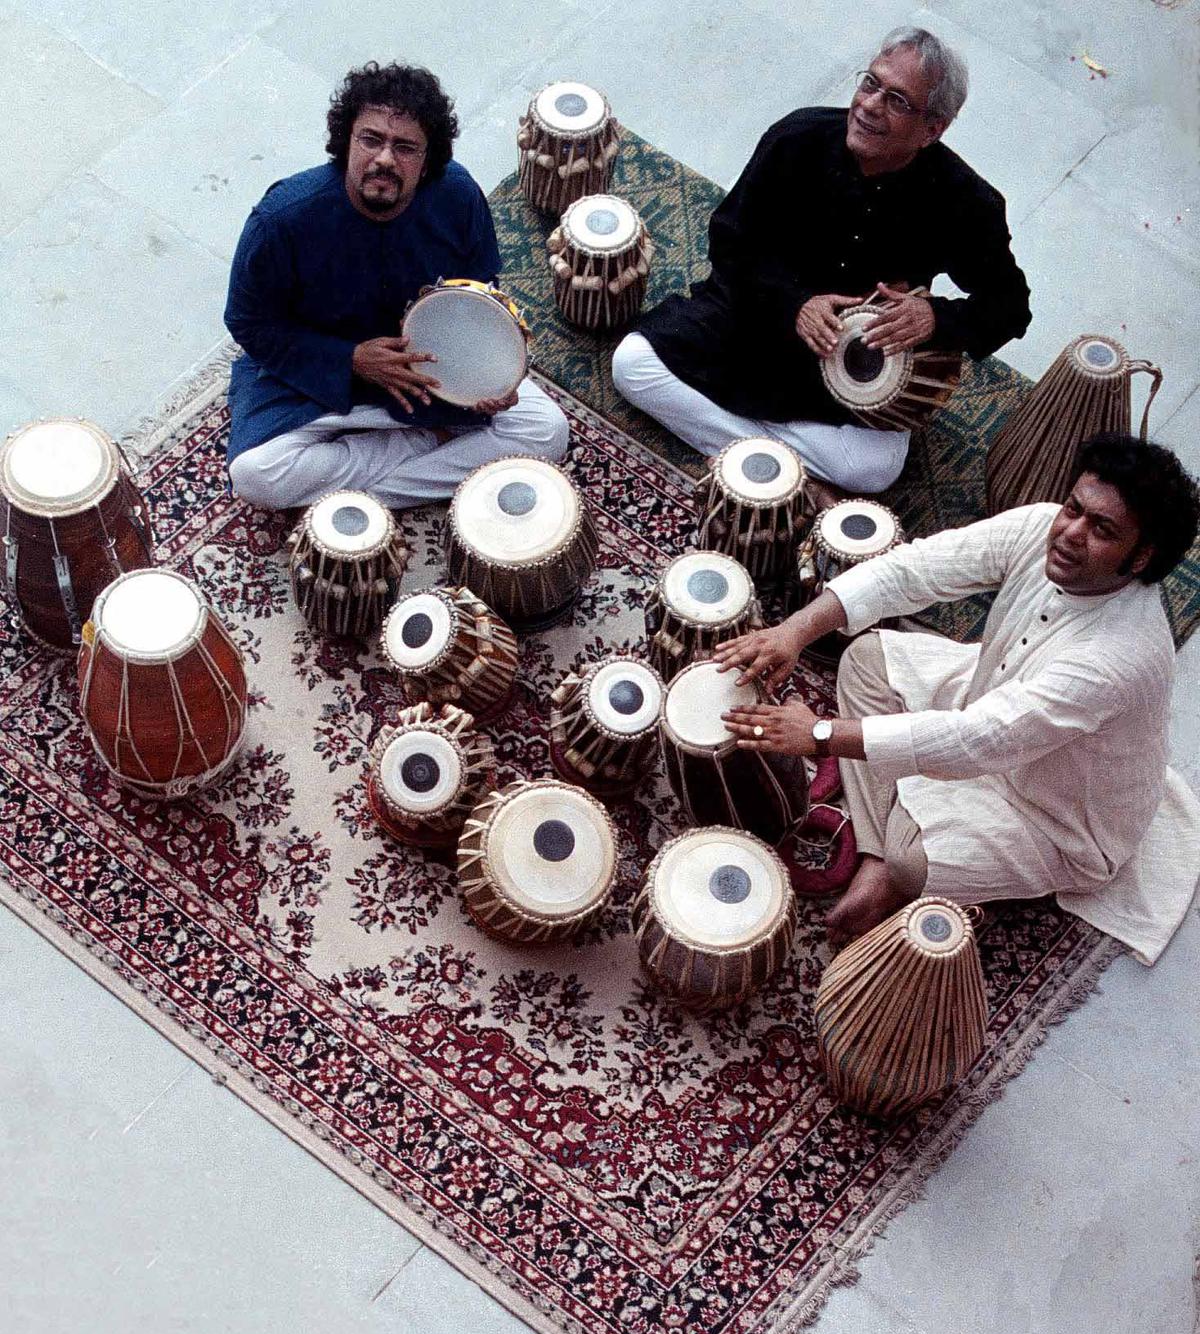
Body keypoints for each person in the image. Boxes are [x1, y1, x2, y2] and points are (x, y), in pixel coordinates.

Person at [715, 434, 1200, 965]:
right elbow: (918, 568)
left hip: (1050, 812)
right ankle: (875, 849)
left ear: (1142, 557)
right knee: (865, 661)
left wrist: (820, 735)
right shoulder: (1044, 527)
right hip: (987, 696)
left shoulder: (1117, 660)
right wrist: (794, 631)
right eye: (1074, 509)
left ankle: (886, 861)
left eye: (1101, 529)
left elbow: (979, 740)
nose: (1070, 533)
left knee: (910, 862)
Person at [612, 27, 1031, 504]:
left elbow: (1010, 307)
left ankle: (744, 448)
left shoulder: (965, 202)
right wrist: (796, 303)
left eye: (897, 101)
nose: (870, 106)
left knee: (877, 469)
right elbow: (731, 241)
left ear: (932, 129)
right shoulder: (797, 138)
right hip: (756, 320)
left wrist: (937, 317)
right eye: (870, 83)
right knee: (633, 366)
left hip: (855, 363)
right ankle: (791, 474)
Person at [224, 62, 569, 510]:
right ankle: (422, 446)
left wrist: (486, 377)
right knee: (255, 476)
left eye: (405, 147)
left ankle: (362, 492)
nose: (384, 159)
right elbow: (247, 322)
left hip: (430, 376)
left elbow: (481, 297)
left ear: (427, 162)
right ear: (346, 140)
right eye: (371, 140)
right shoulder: (282, 219)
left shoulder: (458, 196)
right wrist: (351, 359)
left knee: (546, 431)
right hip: (318, 381)